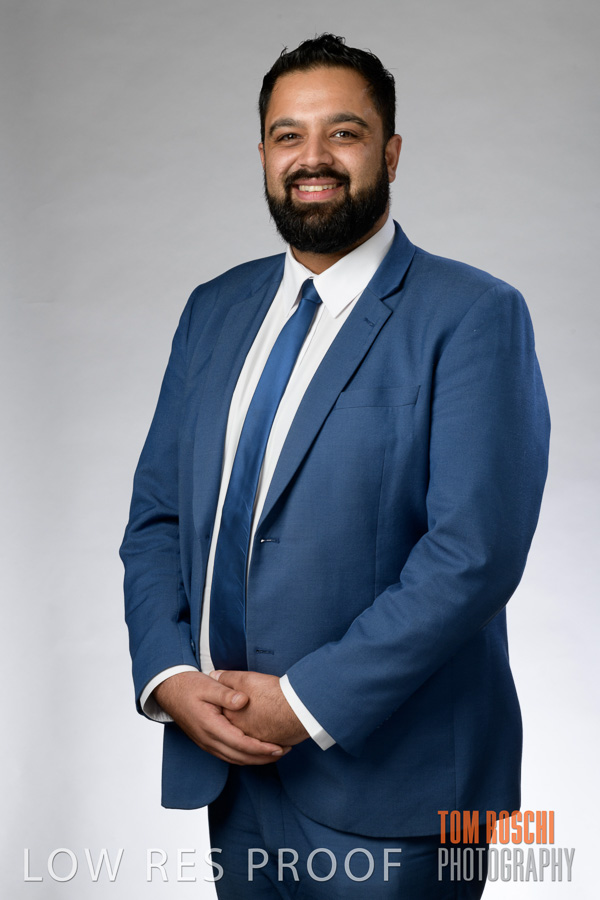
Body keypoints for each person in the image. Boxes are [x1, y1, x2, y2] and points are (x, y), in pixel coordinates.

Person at [120, 34, 550, 898]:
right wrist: (169, 678)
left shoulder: (473, 315)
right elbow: (159, 519)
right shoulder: (213, 311)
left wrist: (305, 703)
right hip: (232, 770)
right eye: (289, 135)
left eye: (343, 132)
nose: (312, 158)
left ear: (390, 153)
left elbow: (472, 555)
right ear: (263, 153)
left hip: (404, 789)